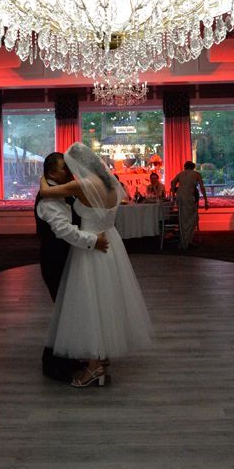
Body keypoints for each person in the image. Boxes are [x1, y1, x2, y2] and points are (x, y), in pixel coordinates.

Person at [38, 142, 154, 388]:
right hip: (111, 241)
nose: (69, 171)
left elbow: (46, 192)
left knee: (89, 306)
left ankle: (93, 366)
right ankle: (103, 357)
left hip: (91, 248)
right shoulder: (112, 183)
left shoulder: (81, 185)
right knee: (107, 301)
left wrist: (43, 178)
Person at [36, 151, 110, 382]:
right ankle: (56, 363)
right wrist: (93, 241)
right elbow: (63, 231)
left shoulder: (64, 188)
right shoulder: (49, 200)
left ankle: (76, 355)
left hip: (71, 259)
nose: (69, 172)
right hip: (56, 261)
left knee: (73, 310)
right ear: (51, 173)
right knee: (65, 311)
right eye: (64, 169)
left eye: (70, 168)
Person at [170, 161, 208, 249]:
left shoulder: (181, 174)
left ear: (185, 167)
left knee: (183, 219)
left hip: (180, 197)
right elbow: (202, 187)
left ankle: (185, 241)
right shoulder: (196, 174)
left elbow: (172, 183)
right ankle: (187, 242)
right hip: (188, 197)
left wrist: (173, 195)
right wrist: (206, 200)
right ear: (193, 167)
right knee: (193, 219)